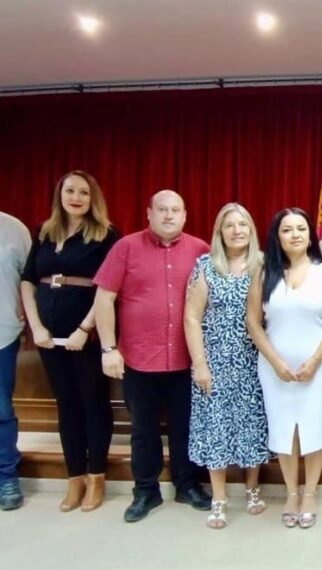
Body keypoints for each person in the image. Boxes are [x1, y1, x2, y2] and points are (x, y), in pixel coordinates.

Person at [94, 190, 212, 523]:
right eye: (162, 209)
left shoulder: (201, 250)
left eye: (176, 210)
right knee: (143, 430)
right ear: (149, 213)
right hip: (138, 359)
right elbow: (104, 299)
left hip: (186, 360)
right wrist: (108, 348)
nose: (169, 215)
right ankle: (145, 491)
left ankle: (187, 485)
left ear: (185, 215)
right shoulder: (125, 248)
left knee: (185, 427)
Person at [20, 171, 119, 513]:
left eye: (83, 192)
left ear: (94, 199)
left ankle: (96, 477)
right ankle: (74, 476)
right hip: (49, 338)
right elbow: (28, 282)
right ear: (59, 195)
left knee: (93, 404)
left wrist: (84, 328)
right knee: (67, 406)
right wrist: (36, 327)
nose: (76, 197)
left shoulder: (105, 235)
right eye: (70, 191)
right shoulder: (45, 233)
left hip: (87, 337)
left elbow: (108, 288)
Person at [247, 207, 322, 529]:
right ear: (277, 236)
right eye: (287, 230)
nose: (295, 235)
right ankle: (291, 492)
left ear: (310, 234)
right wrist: (275, 361)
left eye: (301, 228)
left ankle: (311, 492)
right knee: (284, 429)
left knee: (313, 429)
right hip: (275, 368)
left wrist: (315, 361)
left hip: (318, 366)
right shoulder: (264, 273)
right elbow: (253, 322)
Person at [184, 203, 271, 529]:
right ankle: (219, 498)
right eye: (229, 225)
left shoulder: (263, 265)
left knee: (251, 425)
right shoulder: (206, 266)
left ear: (251, 230)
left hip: (253, 360)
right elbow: (192, 317)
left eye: (243, 224)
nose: (237, 231)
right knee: (216, 429)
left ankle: (252, 489)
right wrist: (200, 364)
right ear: (220, 232)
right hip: (215, 362)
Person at [0, 211, 31, 511]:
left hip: (2, 333)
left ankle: (6, 477)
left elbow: (30, 279)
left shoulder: (14, 229)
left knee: (1, 410)